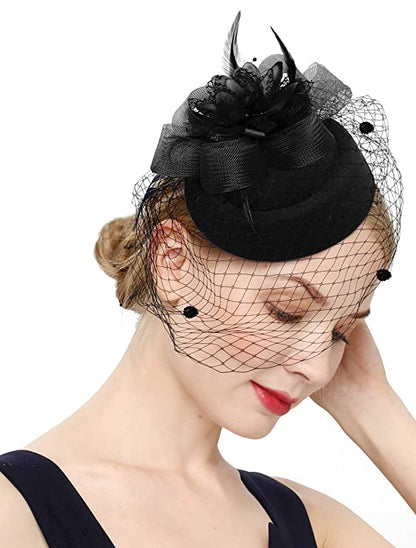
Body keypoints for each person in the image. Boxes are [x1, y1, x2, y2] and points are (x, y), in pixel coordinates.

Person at [1, 10, 415, 548]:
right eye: (287, 310)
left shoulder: (313, 525)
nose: (317, 368)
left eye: (342, 332)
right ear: (172, 263)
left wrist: (373, 405)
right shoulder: (14, 515)